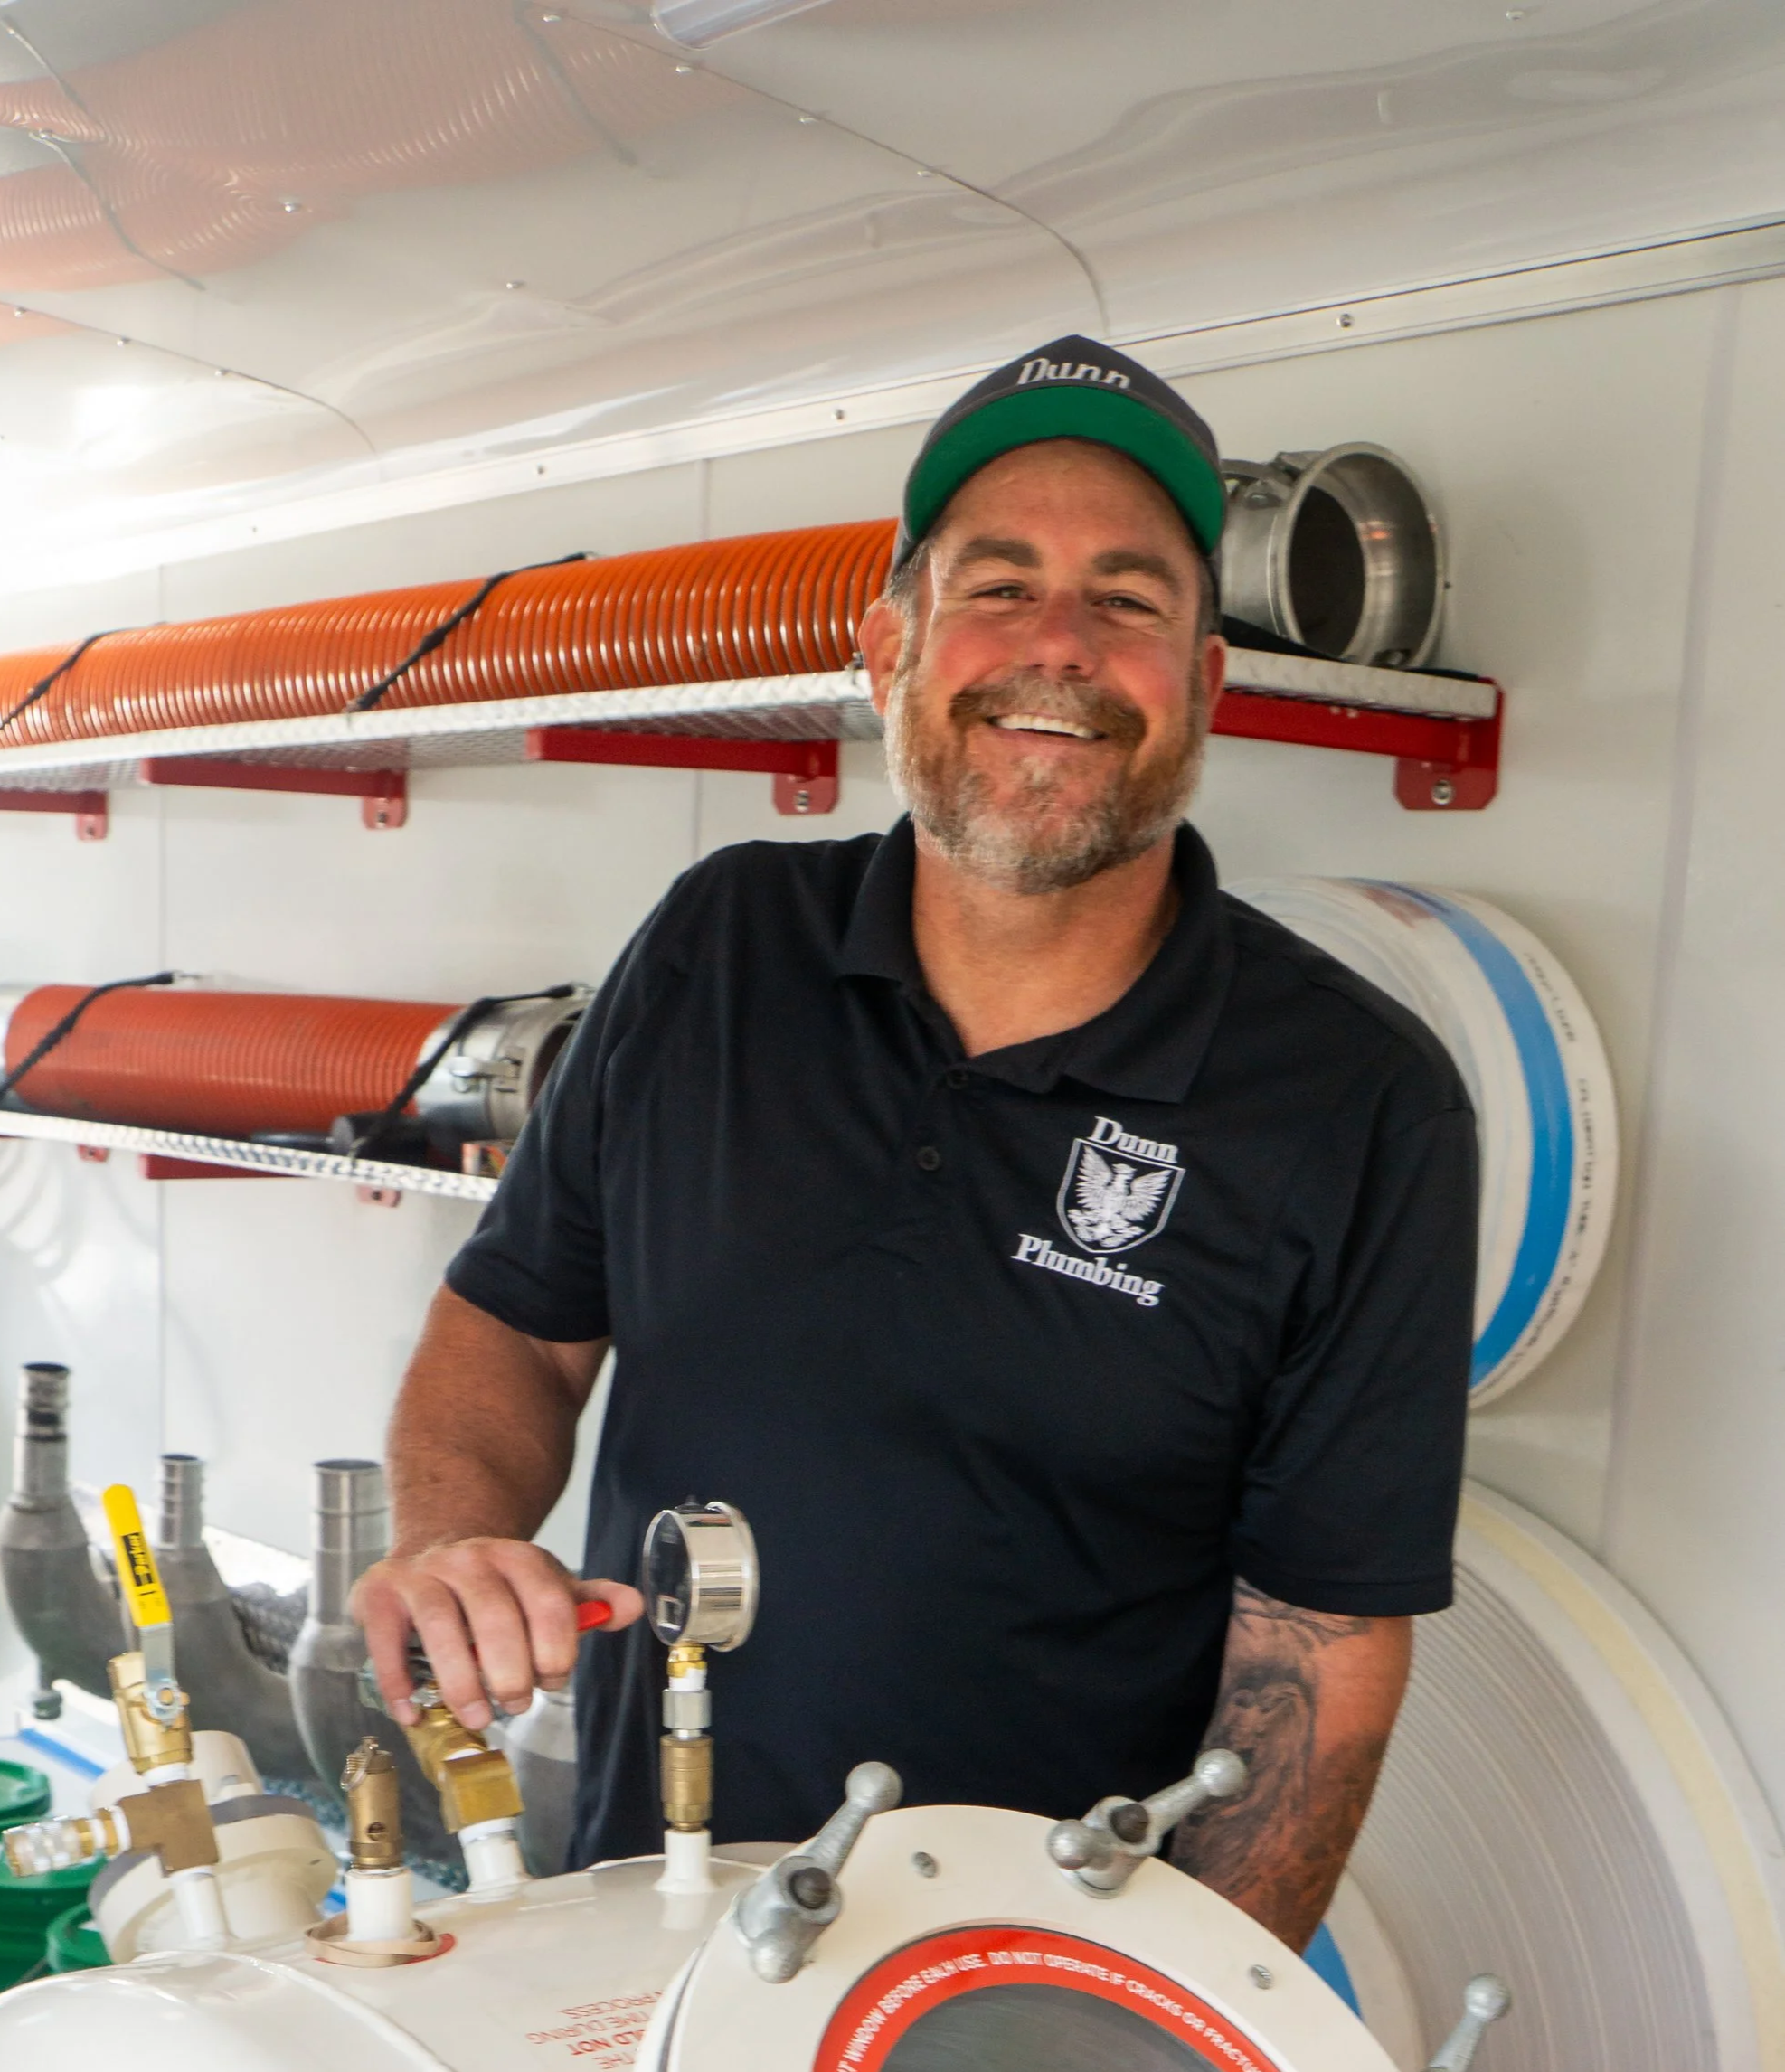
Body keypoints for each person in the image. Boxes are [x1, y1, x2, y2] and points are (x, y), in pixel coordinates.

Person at [356, 333, 1477, 1950]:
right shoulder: (717, 947)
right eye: (998, 586)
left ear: (1207, 687)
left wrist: (1173, 2042)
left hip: (1016, 1997)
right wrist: (454, 1532)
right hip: (641, 1914)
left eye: (1131, 599)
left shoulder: (1356, 1102)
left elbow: (1317, 1647)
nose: (1061, 647)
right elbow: (519, 1329)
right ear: (890, 649)